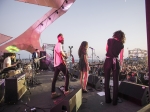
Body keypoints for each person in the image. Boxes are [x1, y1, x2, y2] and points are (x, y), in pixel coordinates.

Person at [104, 30, 125, 105]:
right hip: (115, 62)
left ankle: (107, 99)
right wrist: (121, 65)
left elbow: (106, 49)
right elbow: (121, 57)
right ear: (122, 37)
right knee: (116, 81)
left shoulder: (109, 40)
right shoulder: (121, 44)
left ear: (115, 35)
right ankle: (115, 101)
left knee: (107, 80)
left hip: (108, 60)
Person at [51, 33, 70, 99]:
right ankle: (66, 91)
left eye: (63, 37)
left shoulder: (57, 45)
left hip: (56, 64)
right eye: (61, 37)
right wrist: (66, 55)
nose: (63, 38)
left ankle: (53, 93)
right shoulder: (59, 44)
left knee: (55, 78)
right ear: (58, 38)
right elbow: (61, 53)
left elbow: (60, 53)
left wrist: (64, 55)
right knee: (67, 75)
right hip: (60, 64)